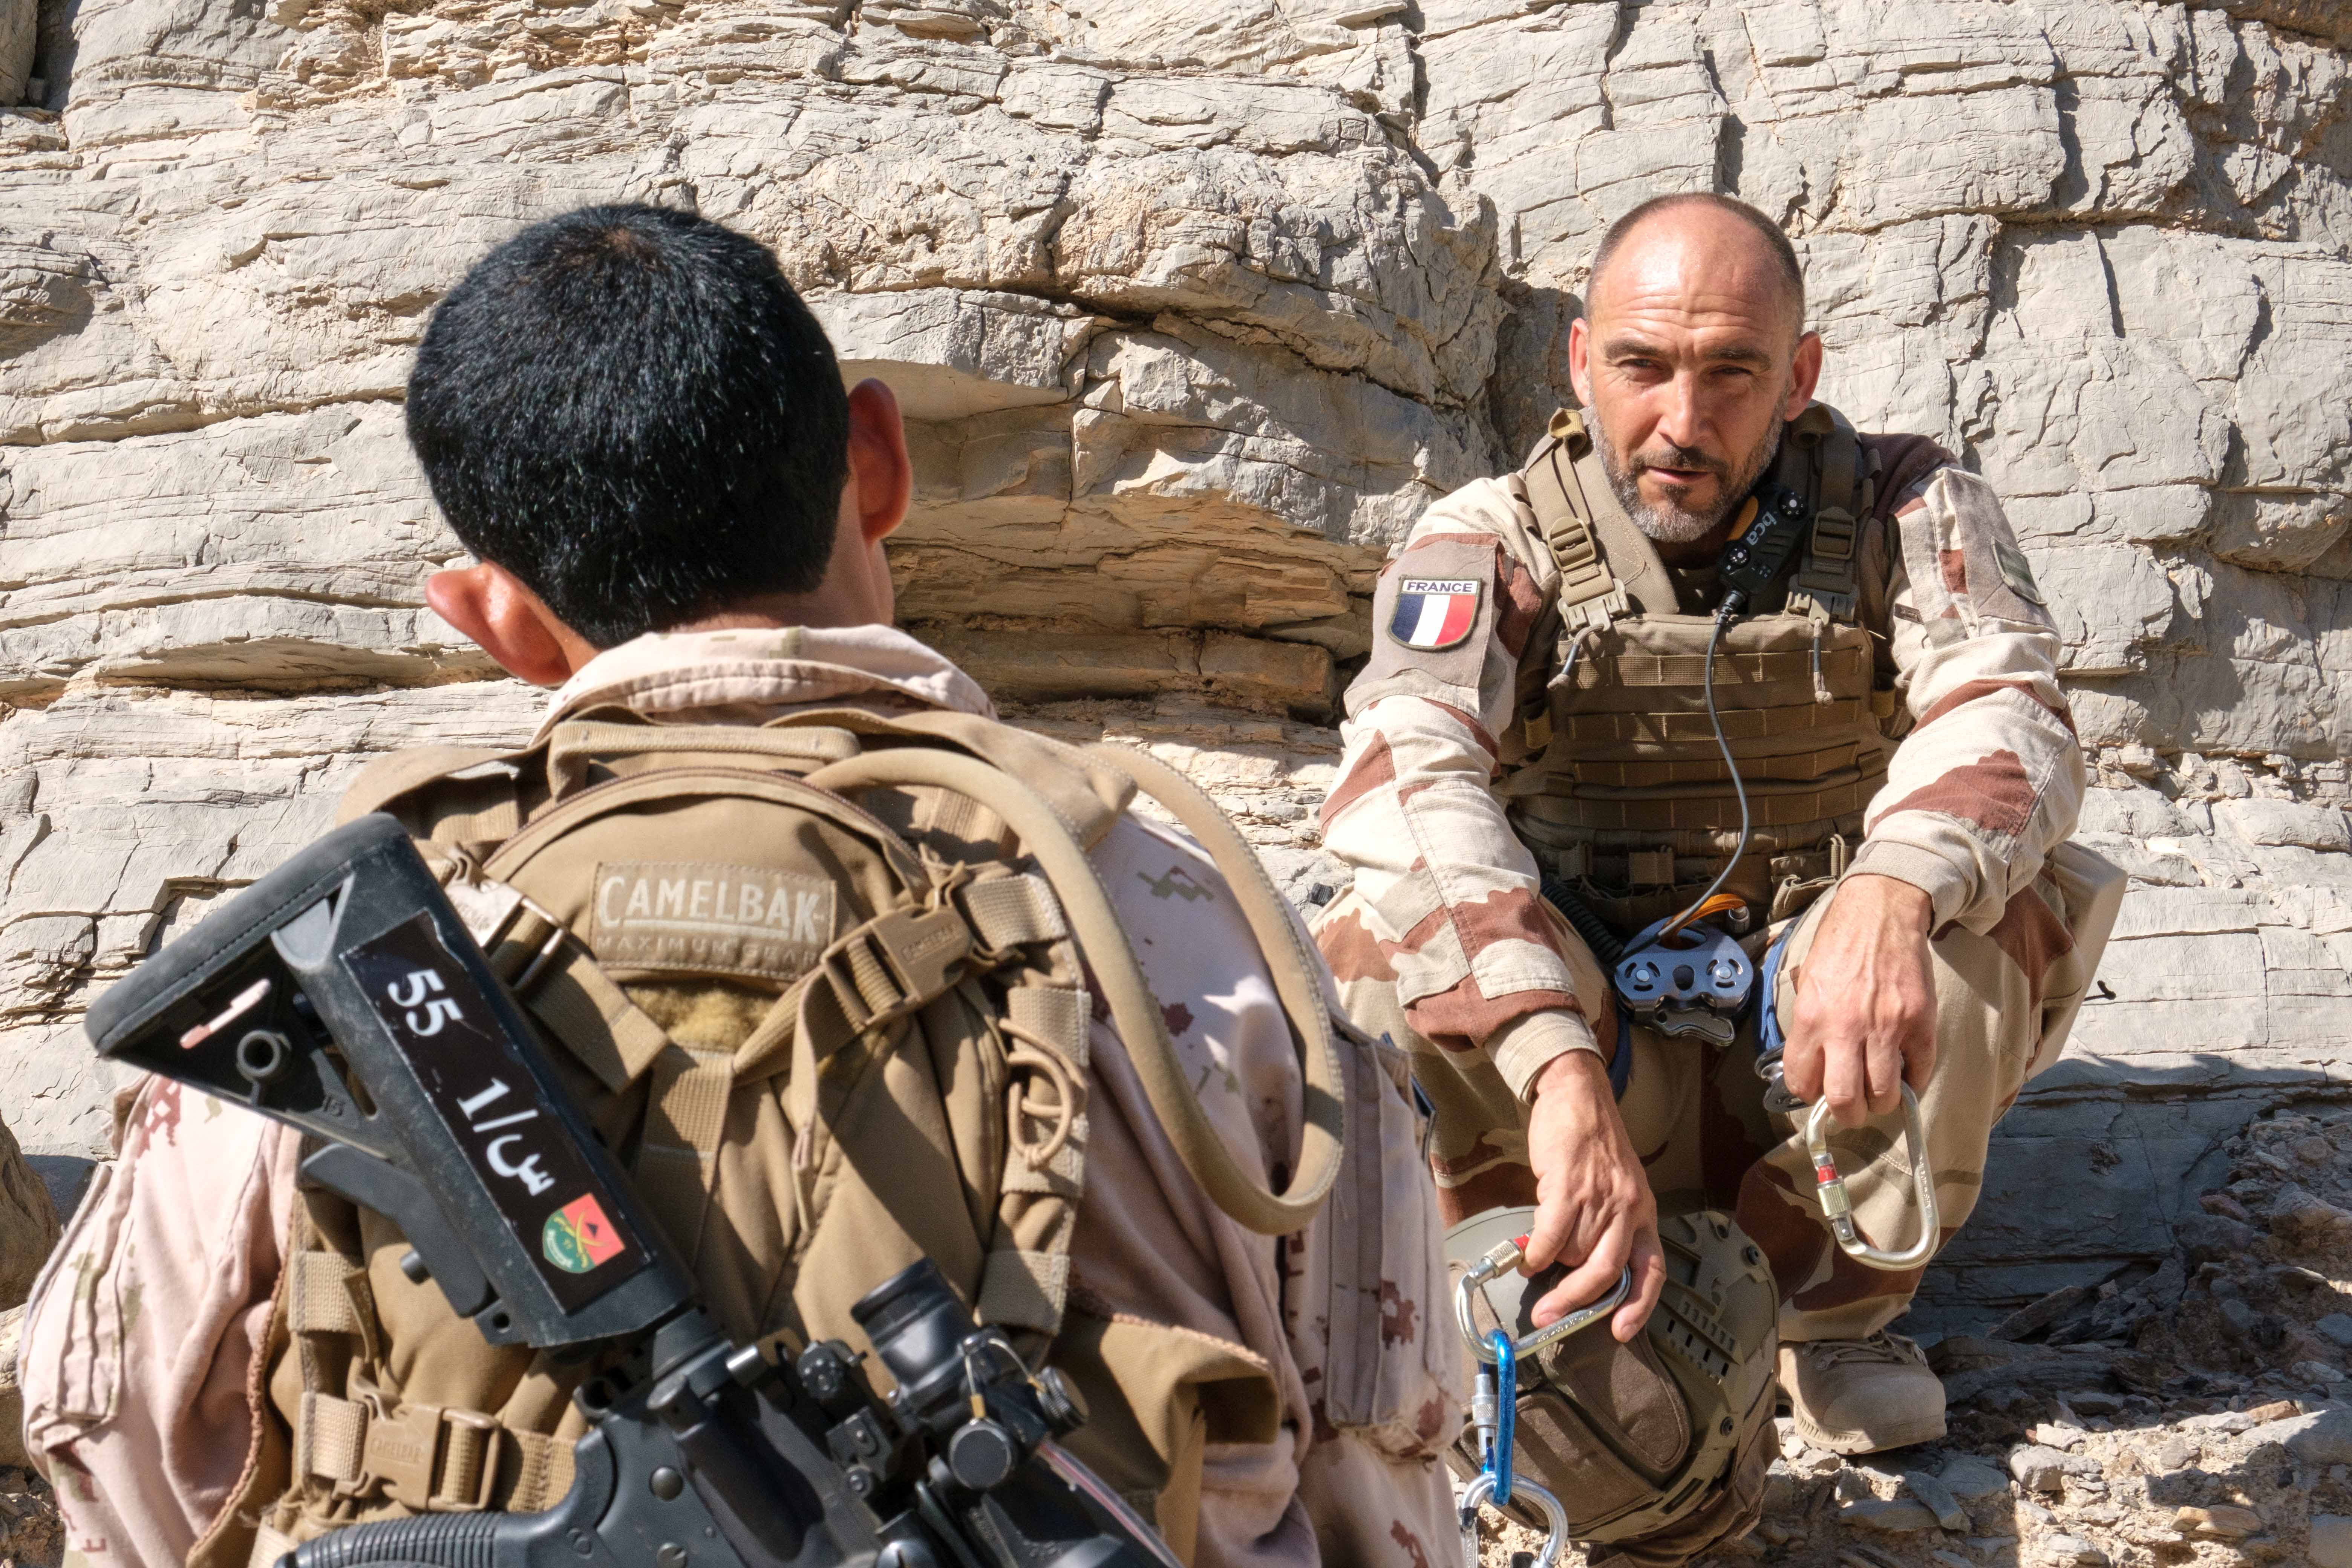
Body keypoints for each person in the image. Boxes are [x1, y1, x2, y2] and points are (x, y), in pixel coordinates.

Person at [19, 205, 1458, 1568]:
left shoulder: (357, 950)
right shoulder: (1170, 912)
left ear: (494, 616)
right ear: (880, 461)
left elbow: (121, 1434)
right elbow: (1380, 1473)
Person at [1314, 193, 2122, 1553]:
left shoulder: (1906, 502)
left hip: (1805, 1035)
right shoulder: (1493, 532)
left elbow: (2014, 713)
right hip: (1594, 1057)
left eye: (1733, 372)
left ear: (1799, 376)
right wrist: (1549, 1054)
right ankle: (1538, 1283)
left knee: (1984, 921)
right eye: (1642, 367)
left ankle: (1834, 1312)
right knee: (1375, 947)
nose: (1682, 420)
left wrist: (1893, 887)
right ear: (1581, 363)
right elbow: (1410, 777)